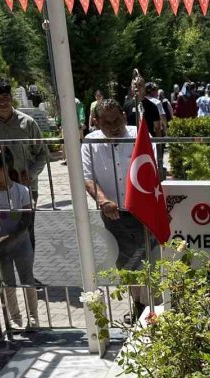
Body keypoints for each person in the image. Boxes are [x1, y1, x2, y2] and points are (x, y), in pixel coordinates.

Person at [81, 99, 156, 319]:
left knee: (150, 260)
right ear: (96, 122)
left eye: (117, 120)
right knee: (126, 263)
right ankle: (139, 306)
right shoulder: (90, 142)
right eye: (107, 122)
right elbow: (87, 177)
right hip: (113, 213)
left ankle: (152, 306)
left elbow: (153, 167)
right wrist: (103, 201)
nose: (114, 126)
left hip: (143, 210)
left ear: (124, 116)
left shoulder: (139, 134)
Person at [0, 74, 48, 211]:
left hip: (25, 186)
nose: (2, 103)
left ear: (11, 97)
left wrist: (30, 174)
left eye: (6, 98)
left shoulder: (28, 123)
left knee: (26, 227)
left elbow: (42, 153)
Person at [0, 146, 38, 329]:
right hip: (0, 246)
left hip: (21, 244)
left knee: (27, 280)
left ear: (4, 168)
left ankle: (33, 316)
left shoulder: (21, 191)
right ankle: (15, 318)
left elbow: (27, 219)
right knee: (8, 284)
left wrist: (11, 236)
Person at [60, 97, 86, 166]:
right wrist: (59, 122)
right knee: (65, 142)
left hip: (76, 125)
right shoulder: (62, 100)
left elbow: (81, 111)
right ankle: (66, 159)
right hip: (66, 125)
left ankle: (81, 158)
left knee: (79, 142)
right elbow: (61, 112)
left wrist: (82, 121)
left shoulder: (76, 101)